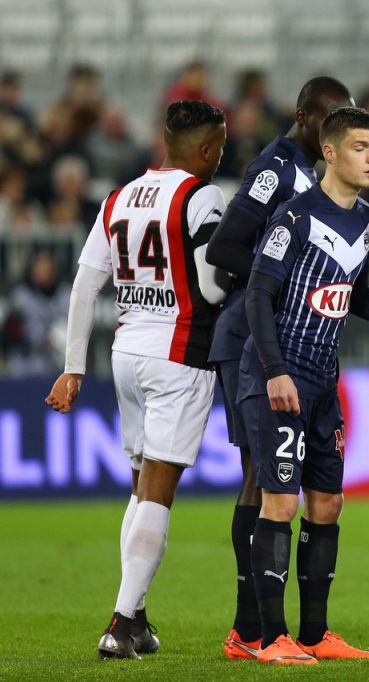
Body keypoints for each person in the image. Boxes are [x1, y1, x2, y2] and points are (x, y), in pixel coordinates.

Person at [238, 106, 369, 665]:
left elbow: (355, 297)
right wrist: (276, 370)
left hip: (324, 386)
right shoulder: (294, 217)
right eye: (360, 146)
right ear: (329, 152)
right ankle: (268, 638)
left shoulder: (367, 218)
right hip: (279, 377)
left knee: (326, 504)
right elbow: (257, 295)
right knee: (279, 502)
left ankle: (314, 634)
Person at [44, 100, 231, 659]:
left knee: (139, 486)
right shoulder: (202, 197)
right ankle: (121, 623)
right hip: (178, 354)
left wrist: (74, 365)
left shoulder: (119, 196)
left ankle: (139, 615)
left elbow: (83, 286)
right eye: (219, 145)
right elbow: (213, 288)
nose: (221, 154)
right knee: (159, 489)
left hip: (126, 354)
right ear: (204, 149)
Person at [204, 75, 353, 662]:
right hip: (251, 336)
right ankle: (253, 630)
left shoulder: (313, 172)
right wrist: (285, 281)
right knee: (264, 482)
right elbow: (223, 247)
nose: (337, 129)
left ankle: (275, 630)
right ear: (302, 115)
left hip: (279, 339)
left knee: (264, 481)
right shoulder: (277, 167)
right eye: (329, 117)